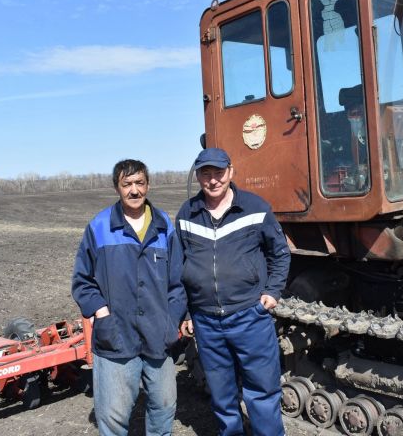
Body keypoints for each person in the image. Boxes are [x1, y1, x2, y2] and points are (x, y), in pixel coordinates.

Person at [176, 148, 290, 436]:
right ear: (198, 175)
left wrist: (273, 291)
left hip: (249, 316)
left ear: (230, 172)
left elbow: (280, 253)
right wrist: (187, 312)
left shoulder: (254, 208)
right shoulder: (187, 214)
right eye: (205, 173)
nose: (213, 180)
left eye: (218, 173)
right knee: (222, 396)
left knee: (262, 393)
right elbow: (178, 269)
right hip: (206, 322)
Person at [71, 159, 186, 436]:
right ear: (117, 188)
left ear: (148, 185)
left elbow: (178, 283)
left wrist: (171, 322)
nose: (134, 191)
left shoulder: (164, 227)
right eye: (127, 184)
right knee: (113, 415)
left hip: (159, 335)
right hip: (116, 335)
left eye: (139, 183)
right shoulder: (99, 227)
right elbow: (82, 281)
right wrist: (101, 313)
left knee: (164, 405)